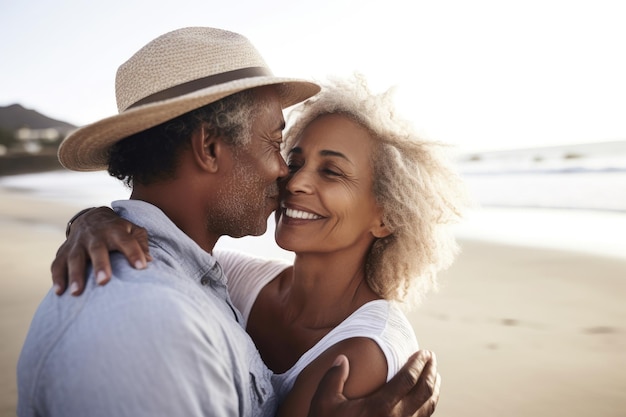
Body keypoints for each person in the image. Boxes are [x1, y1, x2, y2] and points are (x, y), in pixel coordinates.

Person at [17, 27, 440, 417]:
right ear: (210, 148)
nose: (287, 175)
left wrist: (91, 219)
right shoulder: (152, 324)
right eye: (280, 146)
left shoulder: (205, 276)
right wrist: (90, 219)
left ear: (388, 215)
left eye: (330, 171)